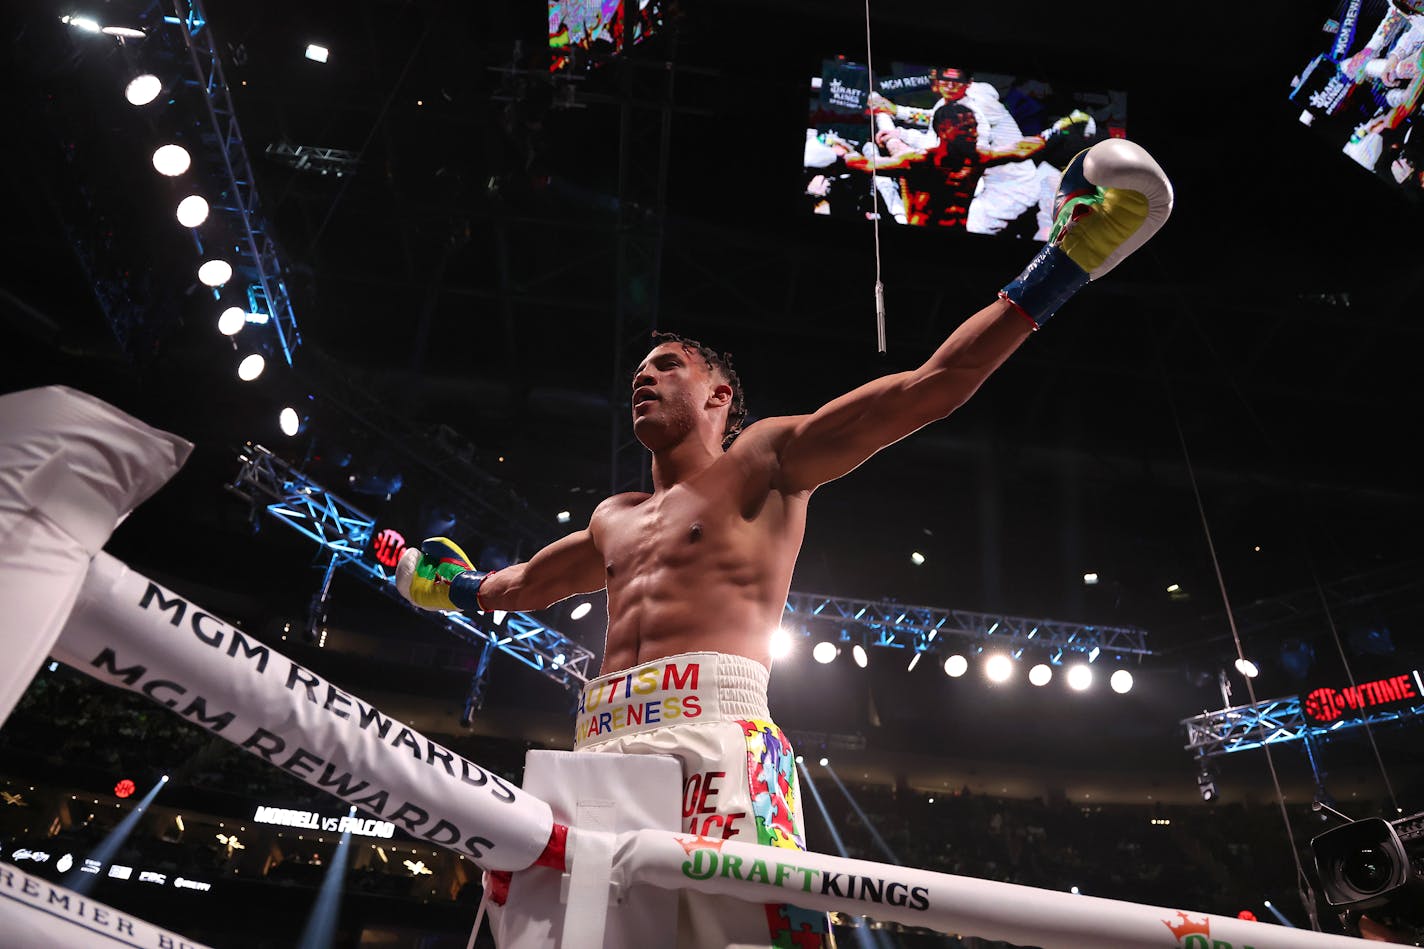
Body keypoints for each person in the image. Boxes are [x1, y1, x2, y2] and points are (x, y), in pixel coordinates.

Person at [396, 137, 1174, 949]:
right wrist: (441, 583)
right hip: (597, 747)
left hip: (717, 738)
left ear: (719, 395)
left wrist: (1065, 263)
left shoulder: (764, 460)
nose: (645, 376)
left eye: (668, 365)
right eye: (639, 370)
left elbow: (929, 387)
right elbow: (517, 586)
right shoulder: (611, 518)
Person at [867, 66, 1047, 237]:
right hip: (997, 183)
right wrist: (898, 112)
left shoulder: (977, 112)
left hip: (1009, 191)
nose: (951, 86)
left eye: (956, 81)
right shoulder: (958, 99)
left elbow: (953, 154)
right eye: (945, 80)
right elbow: (936, 117)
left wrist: (900, 135)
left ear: (968, 83)